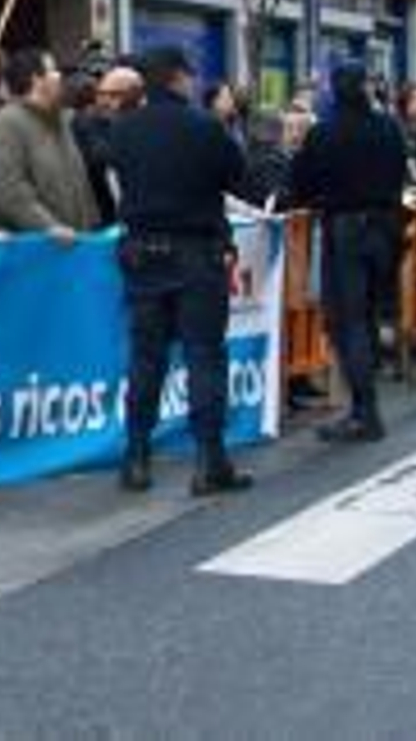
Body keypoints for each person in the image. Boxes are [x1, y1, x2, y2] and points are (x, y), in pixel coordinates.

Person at [111, 46, 251, 496]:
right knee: (203, 355)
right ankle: (210, 461)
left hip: (142, 254)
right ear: (176, 78)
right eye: (189, 75)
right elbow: (239, 178)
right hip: (196, 255)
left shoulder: (125, 130)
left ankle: (136, 458)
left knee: (146, 357)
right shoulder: (205, 127)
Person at [290, 62, 407, 442]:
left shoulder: (324, 133)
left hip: (345, 230)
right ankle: (364, 402)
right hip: (384, 229)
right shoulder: (389, 127)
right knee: (370, 315)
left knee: (348, 321)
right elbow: (400, 173)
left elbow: (301, 187)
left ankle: (364, 411)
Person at [0, 48, 99, 241]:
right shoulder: (6, 124)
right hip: (40, 247)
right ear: (36, 80)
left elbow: (79, 182)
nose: (59, 76)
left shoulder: (60, 119)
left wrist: (92, 224)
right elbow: (11, 191)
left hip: (77, 243)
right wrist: (49, 227)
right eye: (53, 70)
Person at [72, 63, 145, 226]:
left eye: (113, 95)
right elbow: (100, 156)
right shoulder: (87, 124)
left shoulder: (150, 125)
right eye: (100, 93)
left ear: (136, 96)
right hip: (103, 220)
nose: (103, 101)